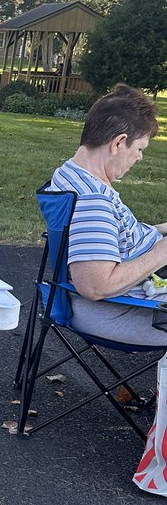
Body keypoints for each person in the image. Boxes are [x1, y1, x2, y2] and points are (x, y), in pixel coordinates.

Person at [49, 83, 167, 345]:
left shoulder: (69, 174)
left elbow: (109, 236)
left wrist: (157, 230)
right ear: (118, 143)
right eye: (139, 149)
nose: (140, 158)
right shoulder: (93, 200)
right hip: (125, 311)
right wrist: (162, 252)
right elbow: (95, 286)